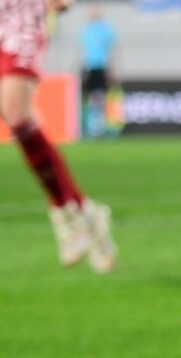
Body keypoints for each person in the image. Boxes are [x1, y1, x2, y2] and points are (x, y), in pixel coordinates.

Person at [1, 0, 117, 272]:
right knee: (17, 120)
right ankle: (85, 212)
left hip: (20, 17)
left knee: (16, 113)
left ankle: (66, 213)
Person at [78, 3, 115, 139]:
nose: (93, 13)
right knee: (88, 98)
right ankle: (89, 127)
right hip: (89, 67)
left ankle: (102, 127)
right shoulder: (86, 30)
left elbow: (111, 51)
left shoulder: (106, 29)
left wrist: (111, 69)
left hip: (101, 67)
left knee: (101, 97)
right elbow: (83, 51)